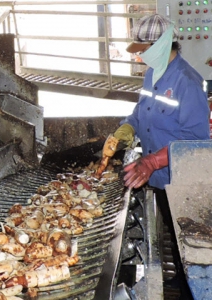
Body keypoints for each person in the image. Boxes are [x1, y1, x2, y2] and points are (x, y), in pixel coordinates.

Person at [113, 14, 210, 298]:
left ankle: (189, 289)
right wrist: (127, 127)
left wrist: (153, 161)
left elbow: (197, 141)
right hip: (158, 179)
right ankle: (178, 282)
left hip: (182, 183)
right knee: (172, 233)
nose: (139, 56)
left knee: (190, 243)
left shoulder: (187, 82)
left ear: (163, 43)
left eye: (144, 49)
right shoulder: (152, 74)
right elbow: (141, 111)